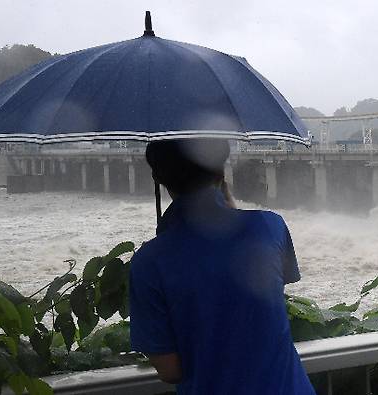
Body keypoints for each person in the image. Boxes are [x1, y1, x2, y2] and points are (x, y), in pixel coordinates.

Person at [129, 138, 316, 394]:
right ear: (221, 171)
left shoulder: (148, 262)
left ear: (159, 178)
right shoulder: (270, 227)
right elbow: (262, 300)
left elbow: (171, 371)